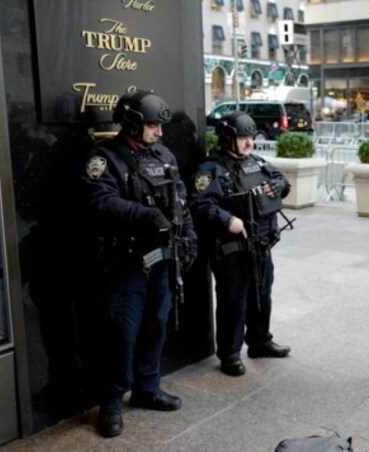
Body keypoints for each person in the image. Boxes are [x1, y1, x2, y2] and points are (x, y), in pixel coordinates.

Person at [82, 91, 197, 438]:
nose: (159, 132)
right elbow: (100, 203)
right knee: (122, 332)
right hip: (126, 262)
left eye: (160, 125)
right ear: (132, 122)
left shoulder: (163, 156)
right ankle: (112, 402)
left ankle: (148, 387)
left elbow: (180, 200)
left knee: (156, 324)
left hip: (162, 258)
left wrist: (189, 237)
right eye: (151, 125)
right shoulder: (105, 159)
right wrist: (146, 216)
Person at [189, 111, 291, 378]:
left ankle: (260, 342)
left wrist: (277, 187)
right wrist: (227, 220)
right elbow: (199, 205)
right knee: (233, 300)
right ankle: (230, 353)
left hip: (261, 245)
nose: (249, 143)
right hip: (232, 250)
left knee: (262, 295)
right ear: (227, 138)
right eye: (242, 137)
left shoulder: (256, 162)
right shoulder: (211, 170)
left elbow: (283, 181)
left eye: (251, 137)